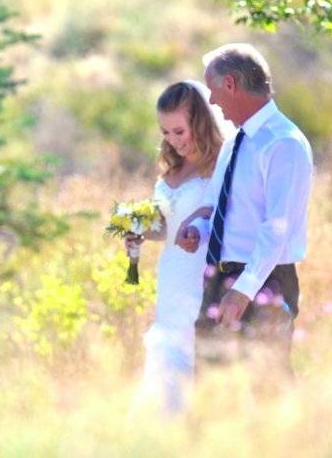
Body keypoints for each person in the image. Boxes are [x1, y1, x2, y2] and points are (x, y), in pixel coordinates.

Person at [176, 43, 313, 371]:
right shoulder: (235, 143)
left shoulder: (284, 143)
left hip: (265, 279)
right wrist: (197, 229)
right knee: (210, 383)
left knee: (267, 382)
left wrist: (243, 291)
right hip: (221, 278)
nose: (211, 101)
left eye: (213, 90)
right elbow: (217, 206)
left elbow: (276, 228)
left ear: (231, 85)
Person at [126, 80, 235, 414]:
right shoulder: (173, 167)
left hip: (200, 273)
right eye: (165, 133)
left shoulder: (221, 164)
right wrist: (143, 230)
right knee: (166, 355)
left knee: (192, 355)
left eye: (179, 131)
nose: (173, 140)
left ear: (200, 122)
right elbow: (167, 226)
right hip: (171, 274)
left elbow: (226, 217)